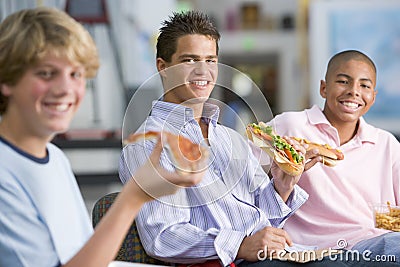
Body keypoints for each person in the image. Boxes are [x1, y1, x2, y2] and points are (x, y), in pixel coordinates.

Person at [0, 7, 204, 267]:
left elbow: (83, 255)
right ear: (6, 79)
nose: (65, 90)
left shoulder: (55, 159)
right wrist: (135, 196)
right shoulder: (4, 173)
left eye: (75, 74)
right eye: (47, 73)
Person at [118, 10, 320, 267]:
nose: (203, 71)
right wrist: (241, 245)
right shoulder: (147, 145)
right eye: (190, 60)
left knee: (361, 257)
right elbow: (163, 236)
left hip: (274, 256)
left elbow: (263, 216)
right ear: (163, 67)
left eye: (211, 60)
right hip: (231, 263)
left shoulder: (230, 138)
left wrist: (283, 185)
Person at [263, 50, 400, 264]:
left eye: (364, 86)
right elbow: (246, 181)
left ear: (373, 96)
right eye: (344, 81)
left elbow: (394, 216)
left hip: (371, 245)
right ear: (324, 88)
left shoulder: (385, 144)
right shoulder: (290, 126)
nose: (354, 91)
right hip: (310, 249)